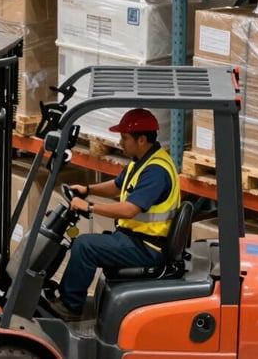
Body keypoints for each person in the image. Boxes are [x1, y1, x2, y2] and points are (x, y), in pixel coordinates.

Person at [49, 108, 181, 322]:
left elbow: (129, 209)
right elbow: (118, 187)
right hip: (134, 239)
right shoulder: (142, 161)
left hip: (148, 248)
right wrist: (87, 189)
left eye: (124, 137)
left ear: (141, 139)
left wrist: (89, 207)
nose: (120, 142)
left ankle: (70, 306)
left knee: (85, 246)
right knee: (87, 243)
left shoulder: (156, 170)